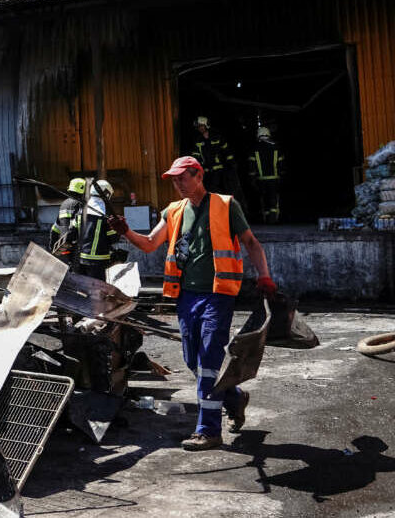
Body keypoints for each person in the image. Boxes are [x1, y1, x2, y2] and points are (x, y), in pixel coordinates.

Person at [109, 155, 276, 451]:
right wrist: (126, 233)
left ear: (198, 175)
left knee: (210, 359)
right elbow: (149, 244)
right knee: (192, 360)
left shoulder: (226, 206)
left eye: (182, 178)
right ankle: (234, 396)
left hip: (218, 294)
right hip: (187, 296)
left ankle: (208, 430)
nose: (177, 184)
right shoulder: (173, 212)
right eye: (174, 180)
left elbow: (250, 242)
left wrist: (264, 276)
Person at [73, 179, 119, 281]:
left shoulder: (81, 211)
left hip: (81, 258)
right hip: (97, 261)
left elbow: (73, 231)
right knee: (97, 290)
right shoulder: (105, 214)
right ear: (107, 194)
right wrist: (119, 229)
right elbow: (113, 238)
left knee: (83, 289)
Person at [190, 116, 237, 194]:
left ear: (206, 125)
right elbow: (196, 156)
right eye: (198, 127)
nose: (199, 128)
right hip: (206, 172)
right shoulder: (198, 140)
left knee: (219, 191)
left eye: (201, 126)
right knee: (208, 192)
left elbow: (227, 152)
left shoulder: (217, 137)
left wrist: (232, 164)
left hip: (219, 171)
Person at [248, 126, 283, 223]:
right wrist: (281, 175)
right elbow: (281, 163)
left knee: (265, 200)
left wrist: (252, 179)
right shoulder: (276, 147)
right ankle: (273, 220)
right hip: (274, 179)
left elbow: (251, 165)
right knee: (273, 200)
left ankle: (267, 220)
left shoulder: (255, 148)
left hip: (261, 180)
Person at [50, 177, 87, 255]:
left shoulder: (64, 204)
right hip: (77, 246)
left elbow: (55, 227)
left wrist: (52, 244)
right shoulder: (80, 204)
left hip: (64, 245)